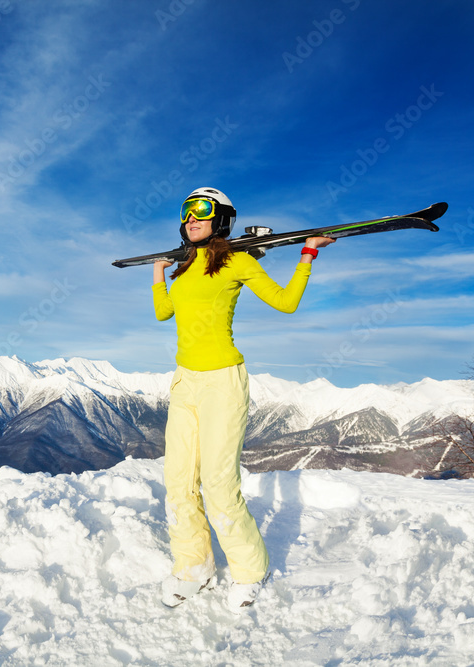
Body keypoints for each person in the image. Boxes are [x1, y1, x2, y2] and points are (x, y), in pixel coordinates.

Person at [152, 187, 334, 612]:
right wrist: (160, 274)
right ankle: (193, 568)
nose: (191, 217)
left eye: (202, 210)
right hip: (185, 383)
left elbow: (286, 303)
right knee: (178, 483)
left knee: (218, 484)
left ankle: (251, 570)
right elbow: (164, 313)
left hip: (223, 382)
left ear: (222, 219)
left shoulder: (237, 260)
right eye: (186, 211)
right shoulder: (185, 268)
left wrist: (307, 254)